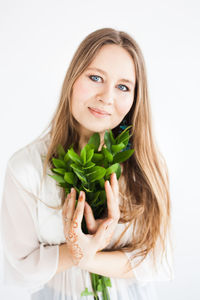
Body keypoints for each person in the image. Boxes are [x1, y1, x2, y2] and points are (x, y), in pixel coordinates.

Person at [0, 27, 174, 299]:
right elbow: (20, 267)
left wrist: (85, 254)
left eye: (123, 86)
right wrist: (79, 248)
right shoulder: (26, 168)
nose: (107, 97)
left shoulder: (147, 166)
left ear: (134, 98)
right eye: (95, 77)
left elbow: (157, 258)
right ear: (73, 78)